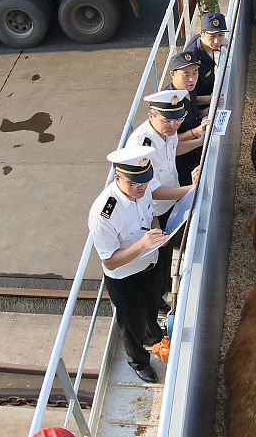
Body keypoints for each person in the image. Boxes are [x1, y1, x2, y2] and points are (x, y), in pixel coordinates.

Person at [89, 146, 168, 383]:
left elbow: (152, 215)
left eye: (145, 181)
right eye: (134, 183)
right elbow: (110, 261)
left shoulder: (142, 190)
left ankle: (153, 334)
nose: (142, 188)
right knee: (132, 323)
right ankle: (139, 362)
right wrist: (143, 245)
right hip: (126, 279)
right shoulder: (104, 214)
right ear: (118, 179)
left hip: (150, 265)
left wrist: (156, 232)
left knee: (152, 305)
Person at [126, 91, 203, 315]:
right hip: (151, 212)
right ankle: (154, 304)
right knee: (153, 261)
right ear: (151, 116)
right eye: (167, 120)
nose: (173, 125)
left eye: (178, 119)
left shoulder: (167, 131)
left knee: (166, 254)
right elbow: (152, 191)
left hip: (170, 203)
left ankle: (162, 292)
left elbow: (173, 150)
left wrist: (200, 141)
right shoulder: (140, 146)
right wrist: (190, 189)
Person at [165, 51, 208, 186]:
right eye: (186, 74)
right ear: (173, 74)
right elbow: (166, 142)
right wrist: (195, 132)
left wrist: (204, 113)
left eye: (195, 73)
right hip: (179, 165)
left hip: (194, 156)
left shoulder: (188, 89)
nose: (191, 79)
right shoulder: (167, 102)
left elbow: (192, 113)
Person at [183, 11, 228, 109]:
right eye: (212, 36)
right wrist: (211, 99)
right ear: (202, 33)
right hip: (200, 110)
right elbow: (185, 96)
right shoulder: (192, 59)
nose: (216, 41)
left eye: (220, 35)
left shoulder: (204, 43)